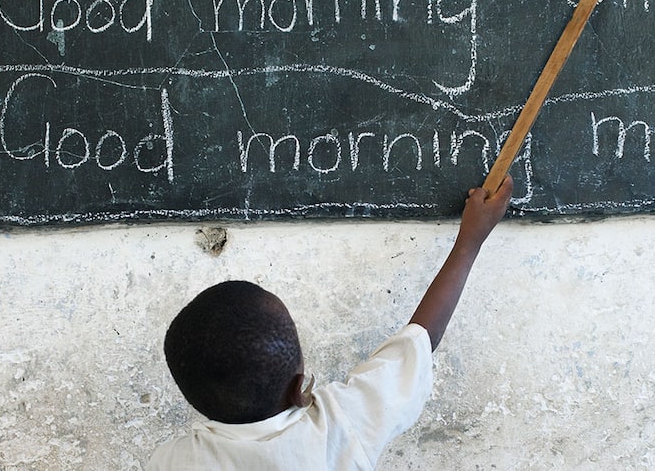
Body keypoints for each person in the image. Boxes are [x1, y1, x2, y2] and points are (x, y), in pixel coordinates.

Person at [148, 176, 514, 470]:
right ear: (298, 390)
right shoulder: (338, 425)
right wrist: (470, 241)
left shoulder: (170, 461)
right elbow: (420, 339)